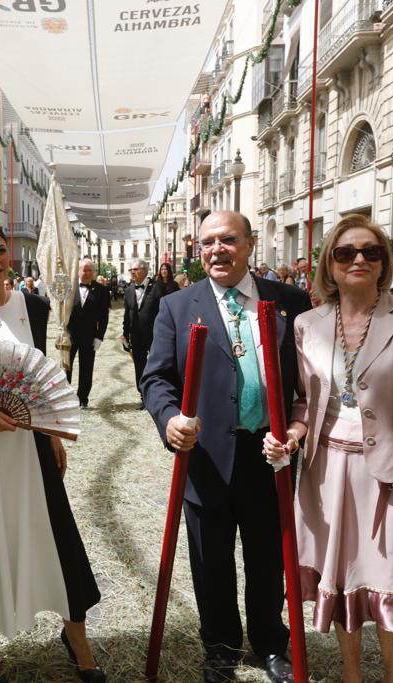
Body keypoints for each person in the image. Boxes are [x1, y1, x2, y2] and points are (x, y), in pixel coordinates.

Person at [262, 214, 393, 683]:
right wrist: (292, 435)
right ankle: (351, 675)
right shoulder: (307, 324)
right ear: (328, 265)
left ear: (383, 263)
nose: (358, 259)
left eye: (369, 252)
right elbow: (303, 402)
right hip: (327, 472)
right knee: (344, 580)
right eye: (345, 252)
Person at [141, 211, 311, 683]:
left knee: (267, 557)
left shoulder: (290, 302)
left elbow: (308, 380)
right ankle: (219, 645)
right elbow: (155, 377)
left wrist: (296, 431)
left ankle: (270, 642)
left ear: (251, 244)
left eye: (229, 240)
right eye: (209, 242)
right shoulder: (178, 306)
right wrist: (169, 418)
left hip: (269, 456)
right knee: (210, 560)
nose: (218, 250)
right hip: (207, 458)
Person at [0, 221, 105, 683]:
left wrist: (51, 433)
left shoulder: (34, 305)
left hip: (31, 442)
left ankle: (76, 635)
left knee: (54, 533)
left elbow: (39, 376)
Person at [66, 258, 109, 409]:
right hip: (69, 336)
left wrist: (99, 337)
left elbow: (104, 317)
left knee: (87, 368)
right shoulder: (68, 287)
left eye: (90, 270)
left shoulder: (102, 290)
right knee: (66, 366)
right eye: (84, 269)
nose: (87, 273)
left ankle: (82, 398)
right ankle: (65, 397)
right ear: (78, 271)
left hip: (89, 336)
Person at [121, 258, 161, 408]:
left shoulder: (157, 289)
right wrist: (125, 333)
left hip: (154, 336)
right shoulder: (129, 290)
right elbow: (127, 314)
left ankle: (158, 395)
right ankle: (143, 396)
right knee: (139, 366)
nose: (132, 273)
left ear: (144, 270)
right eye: (131, 270)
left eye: (135, 270)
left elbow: (162, 313)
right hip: (136, 336)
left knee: (157, 365)